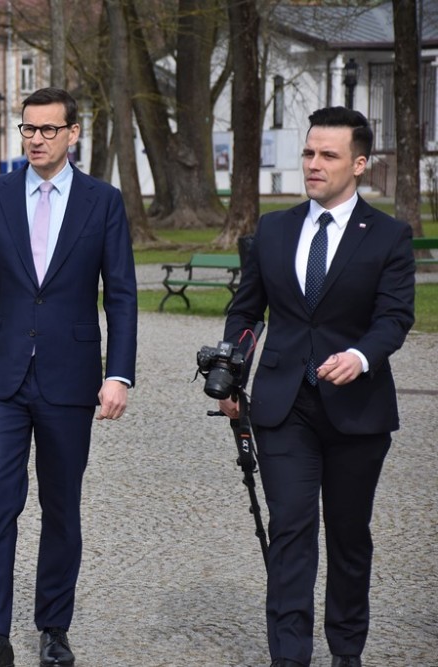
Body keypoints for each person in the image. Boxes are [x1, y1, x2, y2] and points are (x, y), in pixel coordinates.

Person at [0, 87, 138, 667]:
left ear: (72, 134)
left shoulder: (103, 202)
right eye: (28, 129)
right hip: (1, 376)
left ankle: (54, 629)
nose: (36, 139)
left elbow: (121, 295)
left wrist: (119, 374)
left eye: (47, 129)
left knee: (61, 505)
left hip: (70, 375)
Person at [218, 107, 415, 667]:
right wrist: (232, 369)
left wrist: (360, 356)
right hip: (284, 408)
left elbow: (395, 316)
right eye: (308, 152)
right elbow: (246, 312)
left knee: (349, 537)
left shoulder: (388, 235)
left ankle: (346, 653)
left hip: (358, 412)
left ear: (359, 164)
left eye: (328, 155)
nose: (313, 164)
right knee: (291, 531)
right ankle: (290, 657)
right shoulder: (274, 230)